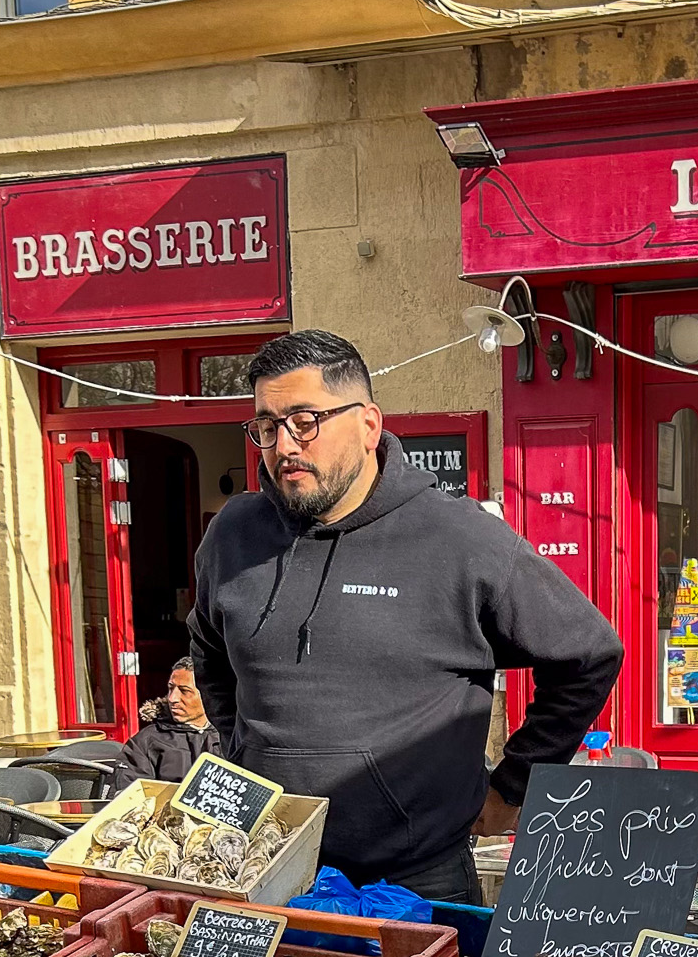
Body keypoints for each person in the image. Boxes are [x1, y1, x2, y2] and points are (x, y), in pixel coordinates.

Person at [189, 330, 622, 902]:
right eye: (267, 426)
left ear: (368, 425)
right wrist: (238, 747)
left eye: (304, 420)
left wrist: (513, 787)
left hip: (417, 876)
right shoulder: (234, 533)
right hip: (264, 869)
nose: (285, 445)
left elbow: (588, 654)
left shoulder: (458, 537)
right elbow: (209, 650)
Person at [108, 660, 222, 793]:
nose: (173, 698)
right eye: (171, 688)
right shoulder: (145, 742)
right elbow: (127, 797)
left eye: (185, 691)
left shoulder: (234, 738)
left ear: (209, 694)